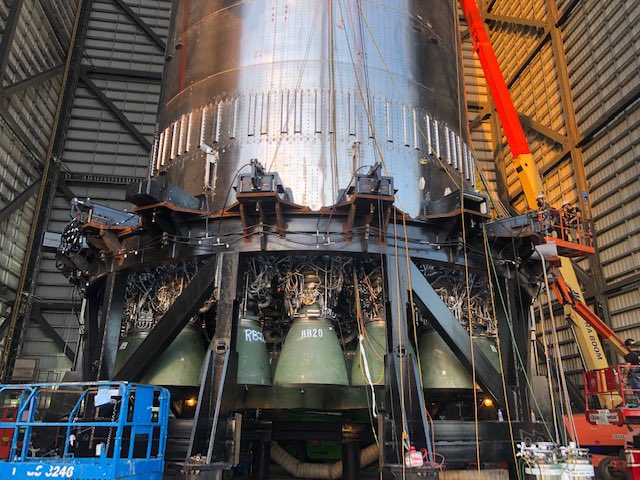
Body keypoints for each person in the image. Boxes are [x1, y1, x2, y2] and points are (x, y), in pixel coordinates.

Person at [625, 339, 640, 406]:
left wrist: (624, 377)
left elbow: (627, 366)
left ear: (628, 346)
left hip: (636, 376)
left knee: (637, 391)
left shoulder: (630, 355)